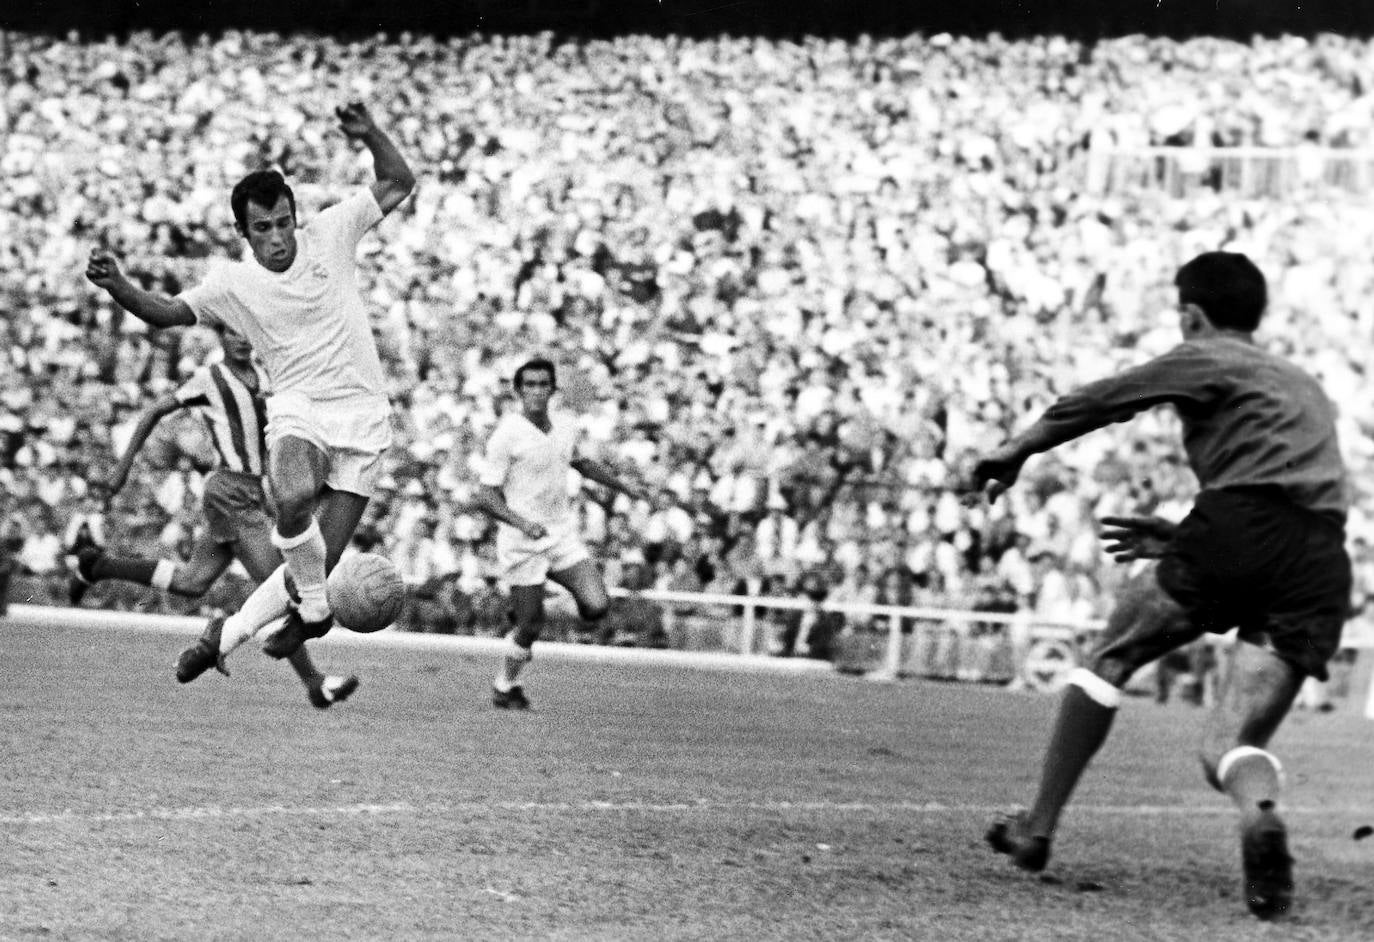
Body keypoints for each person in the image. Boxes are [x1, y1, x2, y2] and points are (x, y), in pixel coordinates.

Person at [968, 251, 1350, 921]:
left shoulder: (1209, 355)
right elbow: (1292, 504)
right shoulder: (1305, 384)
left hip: (1238, 528)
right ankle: (1258, 809)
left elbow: (1100, 401)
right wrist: (1183, 538)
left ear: (1190, 314)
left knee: (1110, 657)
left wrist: (1017, 449)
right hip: (1318, 560)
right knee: (1229, 745)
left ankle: (1037, 829)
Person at [86, 101, 415, 679]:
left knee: (311, 561)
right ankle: (313, 611)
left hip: (363, 414)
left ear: (295, 215)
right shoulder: (233, 283)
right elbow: (165, 312)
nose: (278, 238)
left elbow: (397, 180)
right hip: (298, 405)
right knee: (290, 497)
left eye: (284, 221)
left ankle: (227, 636)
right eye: (263, 228)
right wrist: (120, 286)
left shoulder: (331, 234)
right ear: (244, 233)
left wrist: (371, 135)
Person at [69, 324, 359, 709]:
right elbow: (156, 410)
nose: (241, 339)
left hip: (252, 493)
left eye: (247, 333)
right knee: (280, 584)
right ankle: (315, 684)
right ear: (222, 336)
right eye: (233, 333)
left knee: (193, 581)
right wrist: (122, 469)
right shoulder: (209, 379)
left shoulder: (268, 377)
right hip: (229, 491)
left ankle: (97, 566)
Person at [474, 358, 664, 709]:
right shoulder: (506, 434)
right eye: (528, 385)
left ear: (552, 390)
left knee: (596, 606)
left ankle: (535, 607)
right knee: (530, 629)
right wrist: (520, 523)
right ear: (518, 391)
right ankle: (505, 685)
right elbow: (485, 495)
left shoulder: (565, 425)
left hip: (560, 533)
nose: (535, 391)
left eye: (542, 384)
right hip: (522, 542)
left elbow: (581, 463)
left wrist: (625, 488)